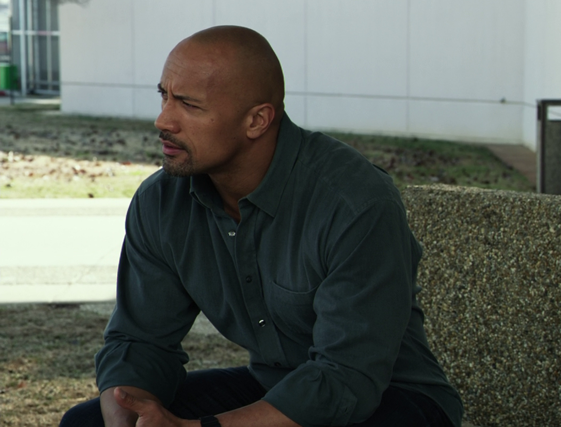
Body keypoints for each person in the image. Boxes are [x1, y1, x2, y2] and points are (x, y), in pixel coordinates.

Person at [60, 26, 462, 427]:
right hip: (277, 387)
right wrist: (128, 418)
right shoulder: (162, 201)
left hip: (393, 399)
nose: (163, 119)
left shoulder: (354, 203)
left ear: (257, 120)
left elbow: (347, 379)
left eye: (188, 105)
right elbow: (139, 342)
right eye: (164, 95)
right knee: (85, 424)